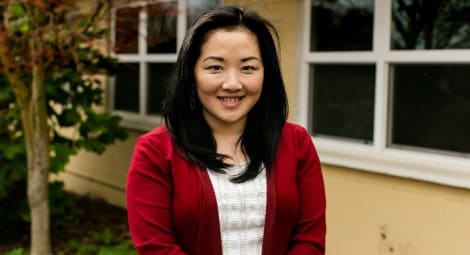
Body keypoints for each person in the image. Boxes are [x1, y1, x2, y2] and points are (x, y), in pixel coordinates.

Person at [126, 5, 326, 255]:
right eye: (215, 68)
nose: (232, 83)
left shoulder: (296, 143)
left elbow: (310, 240)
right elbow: (156, 247)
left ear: (266, 74)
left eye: (248, 67)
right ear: (192, 74)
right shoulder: (155, 151)